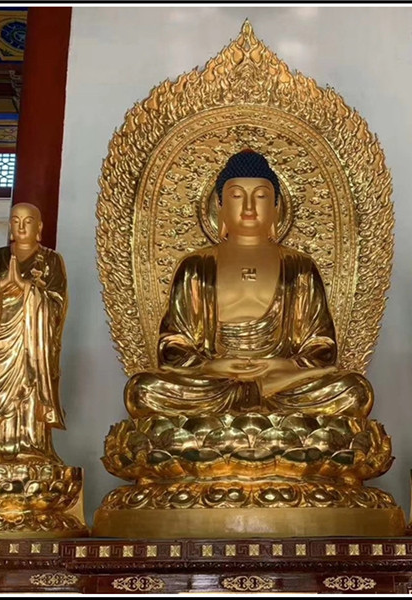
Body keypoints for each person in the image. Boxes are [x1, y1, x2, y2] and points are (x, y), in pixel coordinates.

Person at [125, 150, 373, 418]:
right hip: (215, 385)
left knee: (354, 391)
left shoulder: (299, 267)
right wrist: (214, 367)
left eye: (261, 196)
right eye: (236, 196)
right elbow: (174, 346)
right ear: (219, 206)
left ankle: (253, 406)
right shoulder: (196, 266)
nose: (249, 207)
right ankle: (256, 410)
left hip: (280, 383)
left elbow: (321, 346)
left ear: (276, 208)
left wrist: (282, 367)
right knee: (142, 391)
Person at [0, 203, 68, 463]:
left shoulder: (51, 260)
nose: (21, 226)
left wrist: (26, 289)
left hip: (32, 343)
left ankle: (31, 447)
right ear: (10, 226)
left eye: (28, 221)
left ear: (39, 227)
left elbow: (57, 303)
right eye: (15, 220)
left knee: (30, 389)